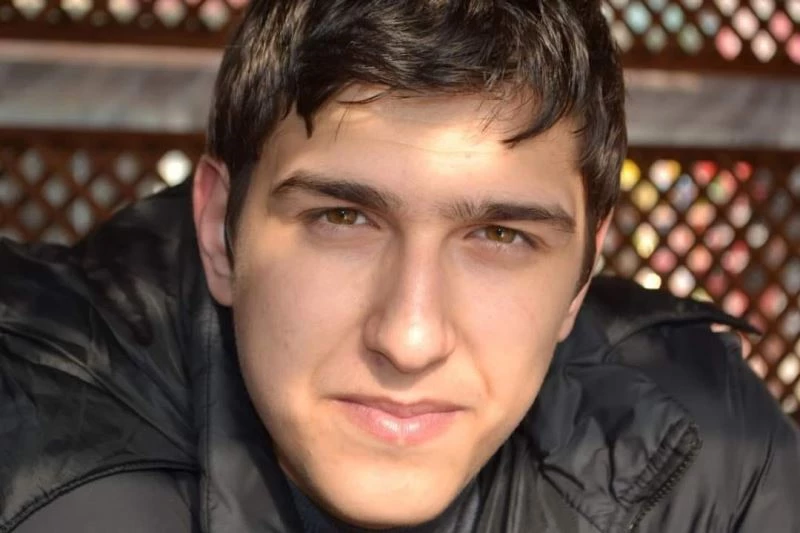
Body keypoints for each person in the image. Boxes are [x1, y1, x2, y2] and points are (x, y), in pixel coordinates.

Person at [2, 1, 799, 531]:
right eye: (342, 218)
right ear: (219, 230)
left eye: (501, 236)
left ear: (583, 276)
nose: (410, 338)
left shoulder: (702, 458)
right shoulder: (29, 428)